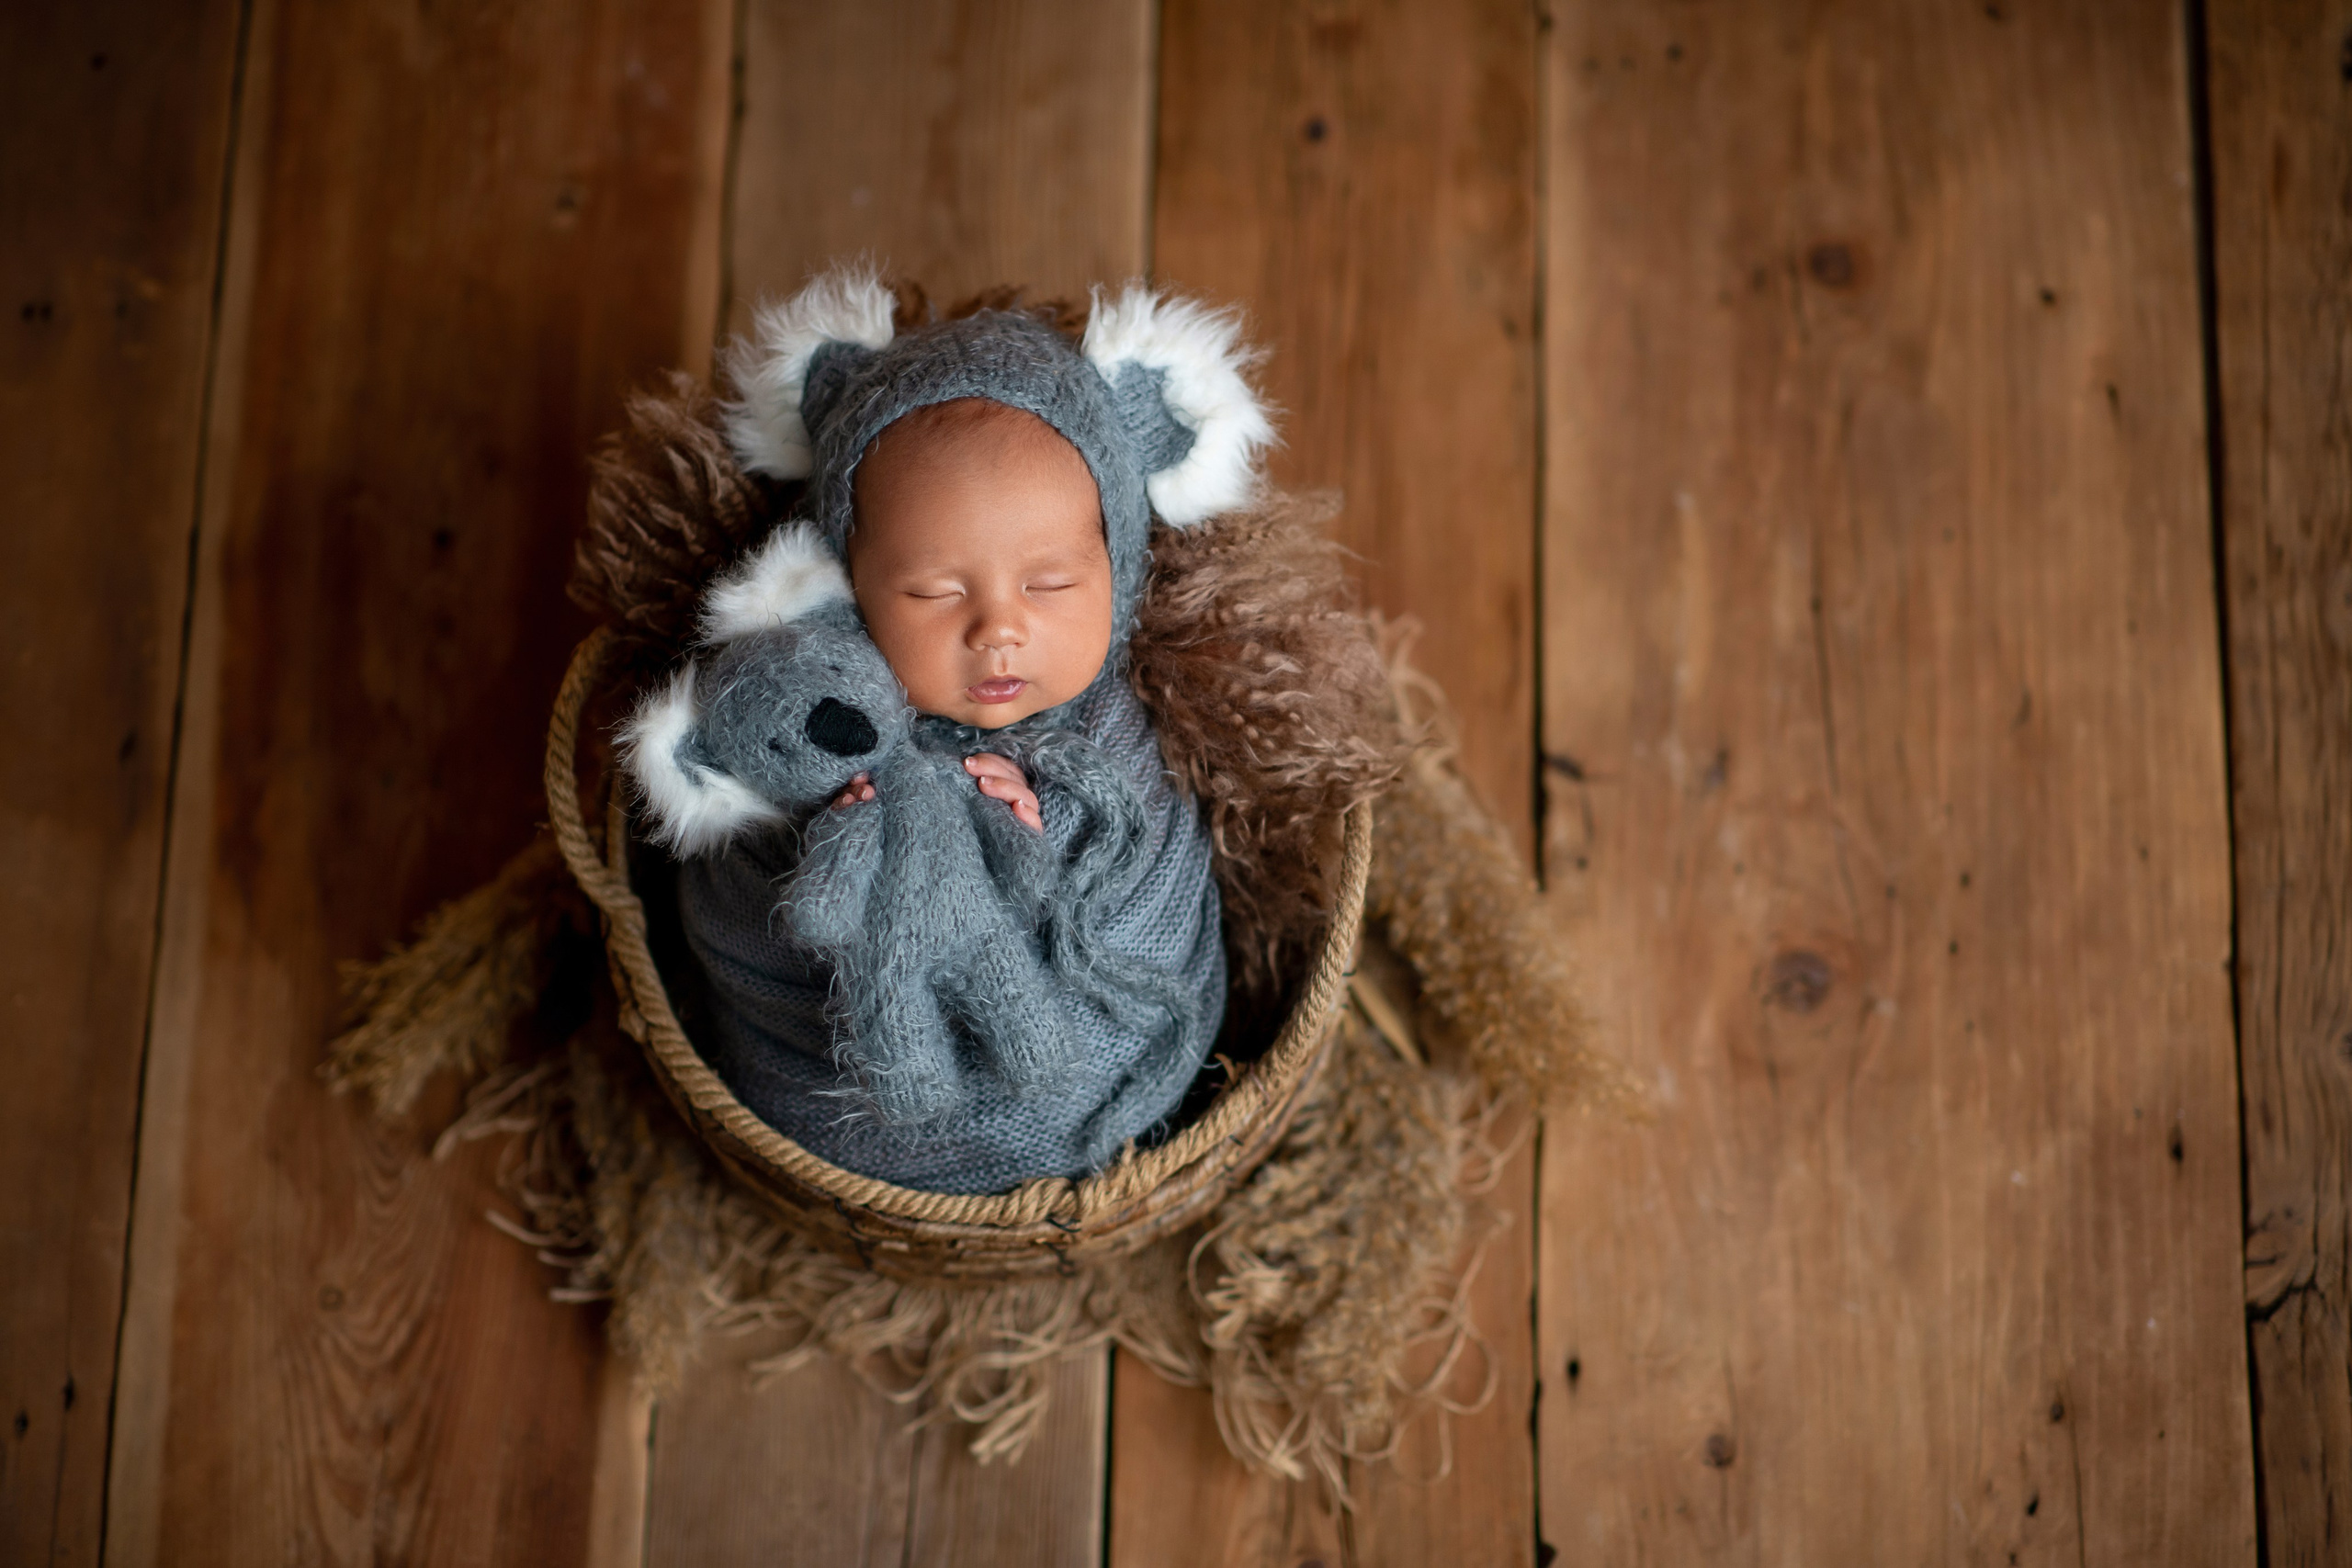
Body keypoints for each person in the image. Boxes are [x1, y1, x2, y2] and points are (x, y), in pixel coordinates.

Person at [631, 265, 1273, 1194]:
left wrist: (1040, 843)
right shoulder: (811, 700)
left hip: (1100, 1071)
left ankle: (1068, 1136)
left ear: (1120, 565)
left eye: (1049, 584)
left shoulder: (1118, 726)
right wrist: (832, 834)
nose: (999, 629)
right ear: (847, 580)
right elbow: (743, 904)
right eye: (934, 592)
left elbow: (1154, 883)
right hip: (848, 1108)